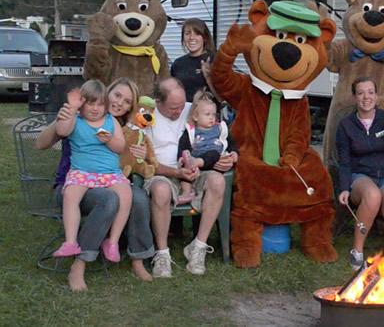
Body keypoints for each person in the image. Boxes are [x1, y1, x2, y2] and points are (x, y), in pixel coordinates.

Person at [37, 77, 155, 291]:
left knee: (137, 196)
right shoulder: (78, 117)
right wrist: (64, 116)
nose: (120, 103)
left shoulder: (124, 127)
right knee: (108, 200)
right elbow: (41, 143)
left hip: (108, 180)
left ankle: (137, 259)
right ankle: (79, 264)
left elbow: (132, 158)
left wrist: (142, 155)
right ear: (105, 95)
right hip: (73, 184)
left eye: (127, 101)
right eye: (117, 96)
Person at [143, 77, 237, 277]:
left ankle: (198, 247)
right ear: (158, 102)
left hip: (198, 171)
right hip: (163, 173)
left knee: (218, 181)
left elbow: (221, 137)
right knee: (160, 190)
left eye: (181, 105)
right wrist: (177, 172)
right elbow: (144, 162)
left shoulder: (193, 109)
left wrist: (228, 158)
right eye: (173, 108)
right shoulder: (146, 118)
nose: (179, 111)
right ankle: (162, 254)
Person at [52, 80, 131, 265]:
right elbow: (62, 131)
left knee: (126, 196)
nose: (95, 109)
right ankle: (71, 242)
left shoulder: (111, 121)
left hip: (110, 173)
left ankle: (112, 242)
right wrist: (71, 109)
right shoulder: (76, 121)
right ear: (82, 103)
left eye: (100, 104)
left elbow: (120, 147)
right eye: (90, 104)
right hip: (82, 172)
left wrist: (109, 140)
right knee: (70, 195)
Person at [336, 77, 384, 269]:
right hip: (360, 176)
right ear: (354, 97)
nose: (366, 97)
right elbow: (344, 161)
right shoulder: (346, 125)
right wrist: (343, 188)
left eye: (370, 92)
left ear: (376, 96)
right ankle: (357, 251)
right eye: (361, 93)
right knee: (373, 195)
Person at [177, 90, 238, 203]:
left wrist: (234, 152)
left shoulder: (220, 129)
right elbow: (183, 145)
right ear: (195, 116)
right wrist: (180, 157)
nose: (211, 118)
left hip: (214, 163)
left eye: (213, 114)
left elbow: (232, 142)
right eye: (207, 114)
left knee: (214, 153)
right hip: (195, 165)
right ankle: (186, 192)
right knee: (186, 171)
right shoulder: (191, 131)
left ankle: (194, 163)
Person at [171, 18, 218, 102]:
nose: (192, 37)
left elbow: (222, 99)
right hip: (182, 113)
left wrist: (208, 78)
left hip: (207, 113)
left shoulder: (214, 60)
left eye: (197, 34)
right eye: (187, 33)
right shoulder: (177, 64)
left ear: (205, 37)